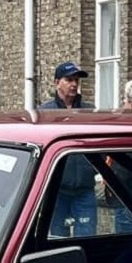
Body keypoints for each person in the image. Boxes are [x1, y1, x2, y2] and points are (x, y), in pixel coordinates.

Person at [38, 62, 96, 238]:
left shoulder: (89, 111)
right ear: (57, 83)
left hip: (85, 188)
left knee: (87, 237)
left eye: (76, 80)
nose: (74, 84)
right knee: (58, 238)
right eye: (69, 80)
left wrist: (93, 169)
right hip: (57, 189)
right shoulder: (46, 113)